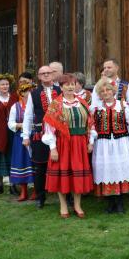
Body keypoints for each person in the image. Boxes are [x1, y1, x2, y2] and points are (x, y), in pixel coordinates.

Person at [42, 74, 94, 218]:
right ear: (61, 87)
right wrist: (52, 147)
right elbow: (49, 127)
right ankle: (63, 205)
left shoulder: (83, 102)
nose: (71, 87)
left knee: (77, 174)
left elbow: (90, 123)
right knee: (62, 174)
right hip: (62, 144)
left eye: (73, 84)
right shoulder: (56, 104)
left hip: (79, 144)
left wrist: (90, 141)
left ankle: (77, 205)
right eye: (67, 84)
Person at [91, 78, 129, 213]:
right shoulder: (96, 108)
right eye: (102, 91)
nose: (106, 92)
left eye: (108, 90)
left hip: (120, 143)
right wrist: (91, 142)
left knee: (120, 170)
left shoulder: (123, 105)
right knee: (106, 171)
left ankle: (120, 203)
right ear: (99, 94)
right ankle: (110, 203)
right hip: (102, 145)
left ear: (113, 91)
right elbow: (92, 127)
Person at [22, 65, 62, 208]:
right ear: (38, 77)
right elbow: (28, 116)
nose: (46, 75)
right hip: (41, 134)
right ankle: (40, 197)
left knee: (62, 165)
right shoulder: (33, 94)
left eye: (48, 73)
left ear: (53, 74)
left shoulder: (60, 91)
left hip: (60, 134)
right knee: (40, 167)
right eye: (42, 73)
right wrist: (26, 136)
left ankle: (66, 195)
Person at [8, 83, 36, 201]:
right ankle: (23, 191)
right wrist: (22, 125)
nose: (29, 94)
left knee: (35, 163)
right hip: (20, 138)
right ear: (22, 93)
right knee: (21, 163)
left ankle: (36, 190)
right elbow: (10, 124)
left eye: (31, 91)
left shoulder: (36, 105)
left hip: (35, 136)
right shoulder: (16, 107)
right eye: (27, 92)